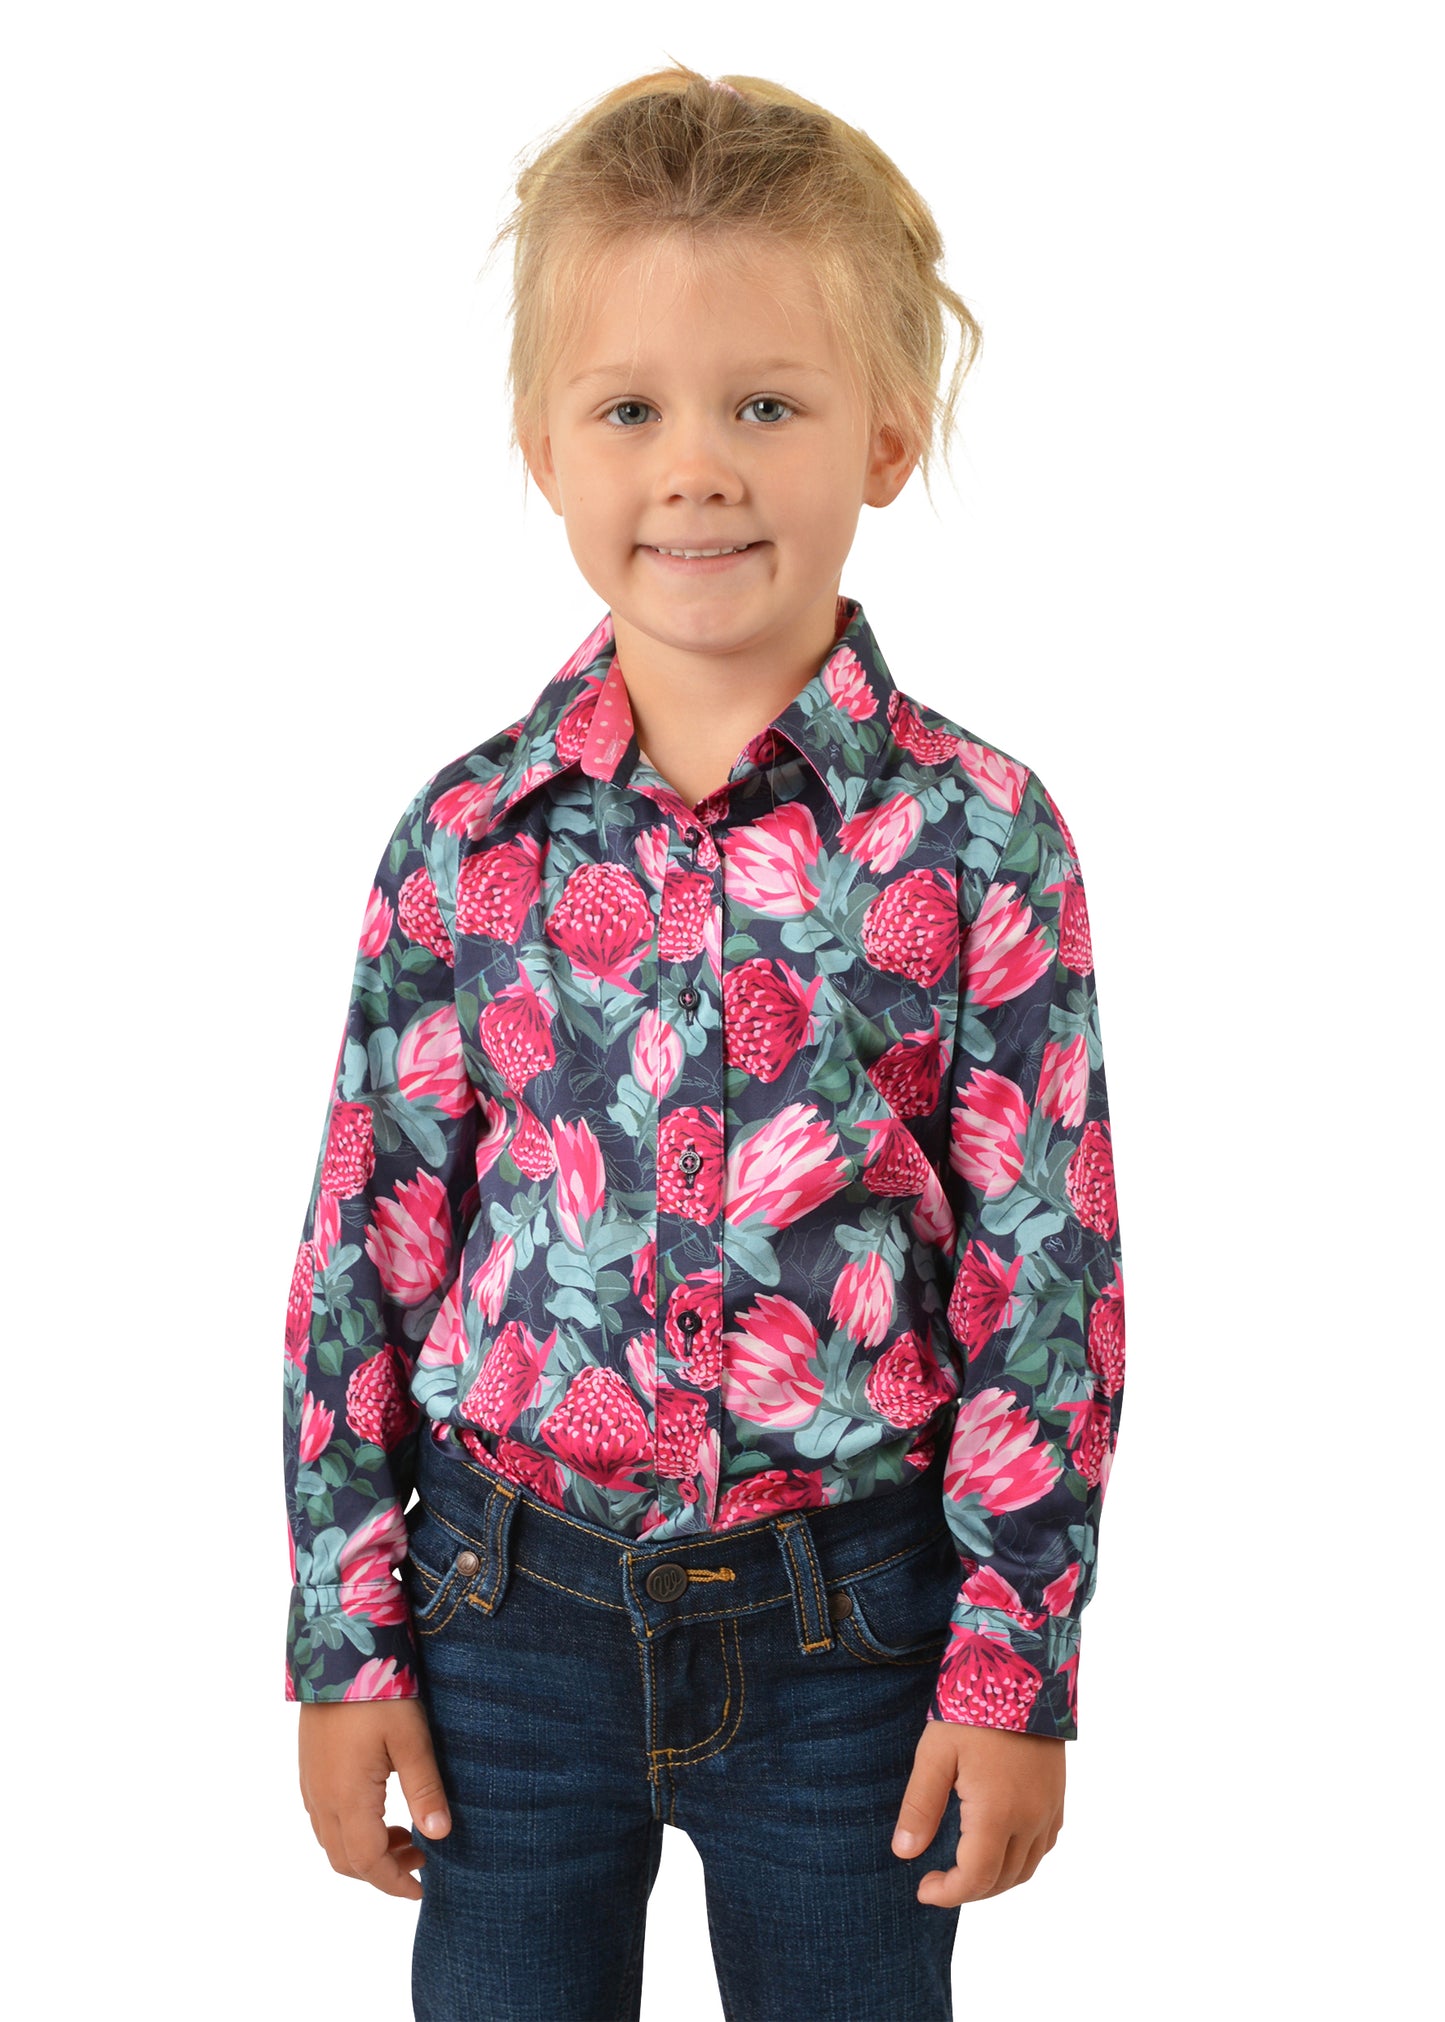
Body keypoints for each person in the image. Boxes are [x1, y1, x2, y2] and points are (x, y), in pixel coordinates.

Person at [284, 63, 1126, 2022]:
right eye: (630, 411)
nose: (695, 470)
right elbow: (365, 1245)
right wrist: (347, 1636)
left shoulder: (979, 835)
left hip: (853, 1630)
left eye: (764, 405)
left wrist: (1011, 1665)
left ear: (886, 433)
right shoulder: (466, 835)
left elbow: (1045, 1268)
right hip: (502, 1616)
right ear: (542, 447)